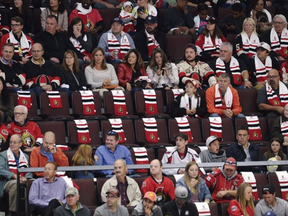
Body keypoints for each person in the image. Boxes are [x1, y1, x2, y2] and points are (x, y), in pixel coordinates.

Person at [0, 134, 32, 215]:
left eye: (14, 142)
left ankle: (31, 211)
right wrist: (13, 175)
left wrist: (26, 178)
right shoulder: (3, 155)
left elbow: (29, 170)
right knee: (15, 183)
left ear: (20, 144)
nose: (12, 144)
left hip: (22, 179)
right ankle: (12, 212)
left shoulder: (25, 156)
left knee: (34, 182)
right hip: (7, 182)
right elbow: (0, 169)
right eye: (11, 142)